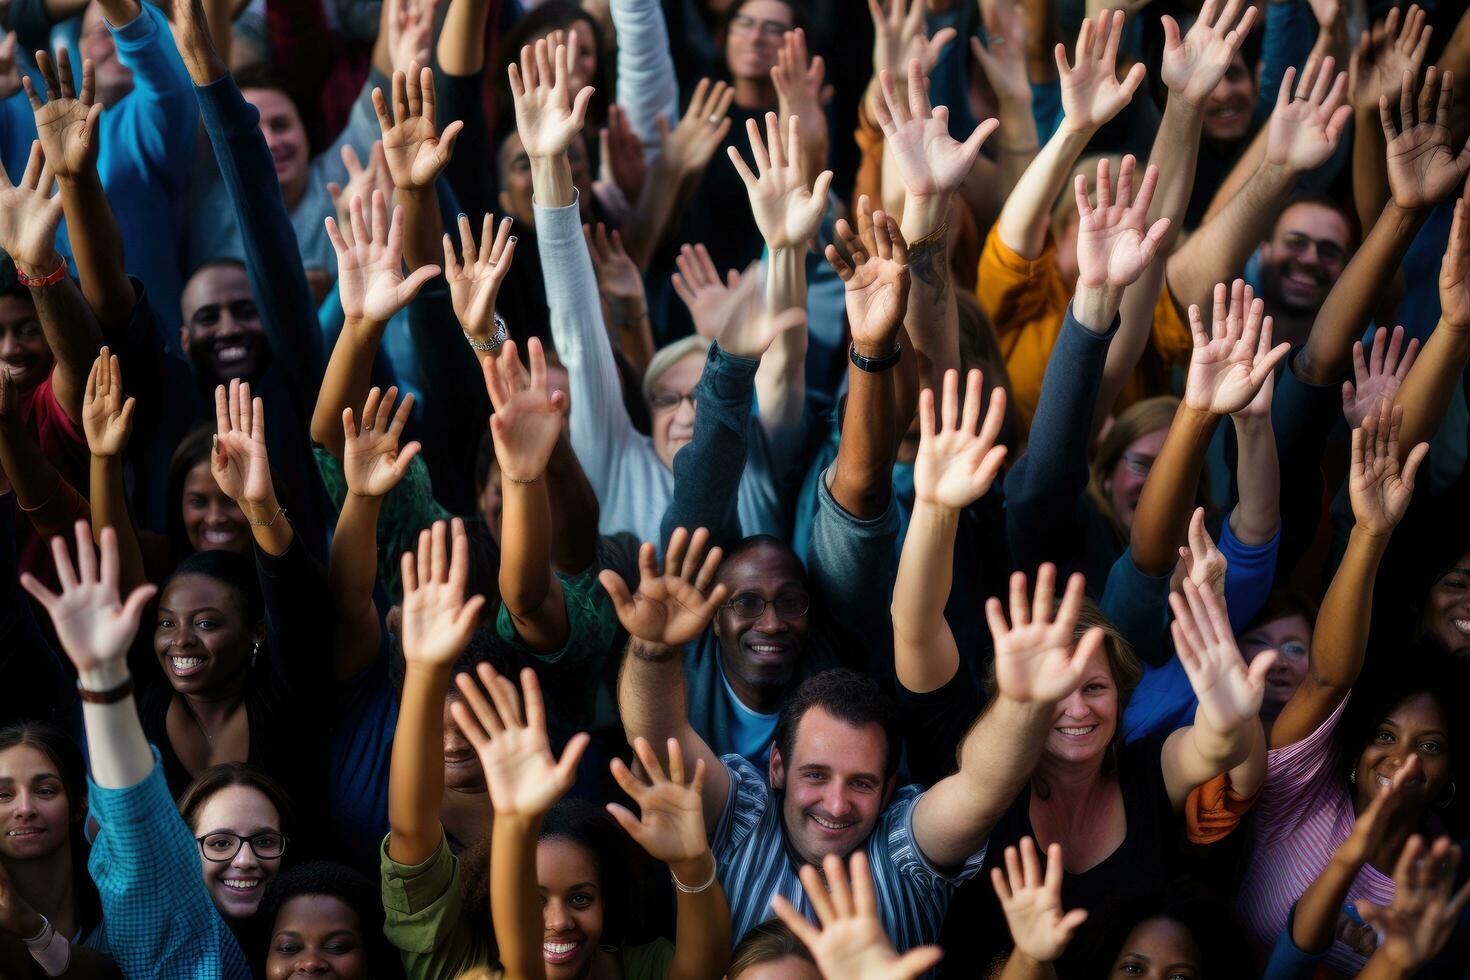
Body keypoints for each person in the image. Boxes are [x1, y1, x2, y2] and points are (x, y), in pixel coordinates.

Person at [20, 519, 252, 977]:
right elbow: (135, 827)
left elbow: (138, 828)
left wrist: (103, 679)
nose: (243, 859)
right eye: (217, 841)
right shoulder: (144, 943)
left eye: (263, 841)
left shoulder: (184, 947)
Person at [451, 662, 730, 979]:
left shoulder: (644, 967)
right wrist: (513, 821)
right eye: (534, 900)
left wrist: (691, 864)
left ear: (606, 901)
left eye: (580, 899)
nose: (559, 921)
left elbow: (704, 970)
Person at [0, 721, 118, 977]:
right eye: (3, 795)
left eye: (45, 790)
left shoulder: (119, 909)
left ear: (78, 806)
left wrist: (36, 932)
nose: (24, 809)